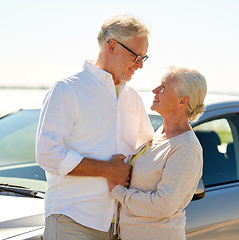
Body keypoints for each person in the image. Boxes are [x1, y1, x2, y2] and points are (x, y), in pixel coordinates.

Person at [36, 15, 154, 240]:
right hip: (72, 222)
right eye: (136, 56)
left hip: (120, 227)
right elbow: (47, 154)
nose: (140, 64)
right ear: (112, 46)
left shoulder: (133, 98)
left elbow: (146, 153)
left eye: (144, 57)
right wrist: (106, 169)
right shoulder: (67, 90)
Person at [108, 66, 207, 240]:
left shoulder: (187, 148)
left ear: (183, 101)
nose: (155, 91)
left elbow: (163, 205)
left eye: (163, 87)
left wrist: (118, 191)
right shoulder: (160, 134)